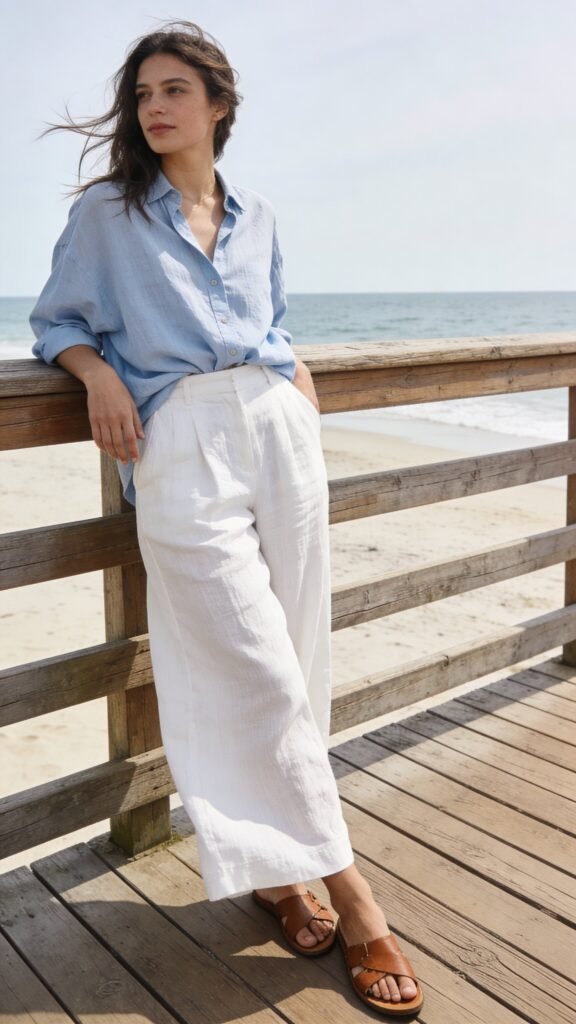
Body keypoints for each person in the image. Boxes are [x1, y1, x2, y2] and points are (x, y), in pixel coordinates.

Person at [30, 21, 423, 1016]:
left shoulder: (260, 217)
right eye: (142, 95)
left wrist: (295, 385)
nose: (154, 108)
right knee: (253, 666)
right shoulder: (107, 215)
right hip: (180, 442)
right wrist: (97, 375)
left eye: (174, 90)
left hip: (278, 433)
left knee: (299, 652)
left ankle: (277, 871)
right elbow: (56, 321)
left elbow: (272, 322)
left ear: (218, 104)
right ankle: (354, 893)